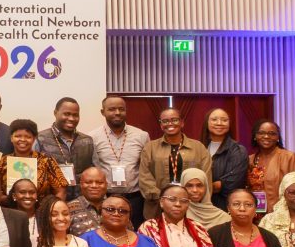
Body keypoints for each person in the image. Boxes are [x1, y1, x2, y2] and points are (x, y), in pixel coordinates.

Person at [93, 96, 151, 226]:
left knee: (134, 232)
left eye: (121, 109)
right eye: (112, 109)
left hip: (135, 198)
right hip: (106, 198)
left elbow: (147, 167)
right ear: (103, 112)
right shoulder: (93, 137)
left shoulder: (142, 136)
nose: (117, 112)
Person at [138, 107, 209, 213]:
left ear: (182, 123)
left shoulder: (199, 147)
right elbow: (145, 177)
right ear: (161, 125)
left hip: (192, 206)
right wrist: (166, 198)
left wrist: (186, 197)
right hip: (158, 206)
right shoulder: (150, 148)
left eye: (174, 120)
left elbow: (206, 177)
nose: (170, 123)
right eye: (165, 121)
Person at [0, 119, 69, 202]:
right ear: (11, 138)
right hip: (9, 208)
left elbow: (61, 191)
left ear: (34, 139)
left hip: (42, 209)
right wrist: (9, 200)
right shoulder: (3, 162)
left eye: (28, 137)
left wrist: (52, 208)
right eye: (18, 136)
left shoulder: (46, 161)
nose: (23, 139)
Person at [245, 119, 295, 214]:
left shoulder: (290, 158)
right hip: (255, 214)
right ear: (255, 136)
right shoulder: (249, 160)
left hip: (283, 214)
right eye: (261, 133)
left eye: (272, 133)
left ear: (278, 137)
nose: (266, 136)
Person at [37, 98, 95, 182]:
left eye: (75, 115)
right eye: (66, 114)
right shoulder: (40, 139)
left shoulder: (87, 141)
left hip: (81, 190)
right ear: (55, 113)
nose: (71, 118)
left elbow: (96, 171)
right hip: (53, 190)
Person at [203, 108, 249, 211]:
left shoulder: (238, 150)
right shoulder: (199, 147)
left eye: (224, 120)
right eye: (214, 119)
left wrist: (201, 188)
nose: (219, 123)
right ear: (207, 122)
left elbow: (233, 183)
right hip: (199, 207)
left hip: (225, 207)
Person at [67, 166, 108, 235]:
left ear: (106, 185)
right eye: (88, 182)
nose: (94, 186)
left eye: (99, 182)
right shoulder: (68, 209)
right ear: (81, 184)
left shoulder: (116, 207)